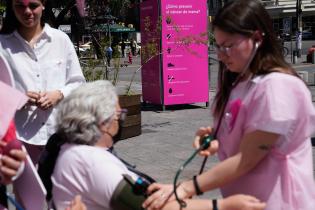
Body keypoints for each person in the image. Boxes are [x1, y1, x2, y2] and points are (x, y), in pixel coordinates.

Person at [143, 0, 315, 210]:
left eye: (229, 46)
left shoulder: (277, 87)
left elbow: (247, 158)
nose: (222, 55)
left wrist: (186, 188)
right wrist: (215, 139)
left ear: (257, 38)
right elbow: (240, 134)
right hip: (246, 200)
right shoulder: (240, 81)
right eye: (218, 45)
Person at [38, 81, 265, 210]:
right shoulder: (89, 160)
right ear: (104, 122)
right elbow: (151, 206)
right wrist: (223, 206)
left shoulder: (72, 150)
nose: (122, 119)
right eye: (120, 114)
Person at [0, 0, 85, 164]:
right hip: (20, 137)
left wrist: (58, 94)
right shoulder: (3, 45)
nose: (27, 11)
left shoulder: (61, 40)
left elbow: (78, 82)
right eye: (20, 6)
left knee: (61, 188)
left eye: (33, 5)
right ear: (12, 7)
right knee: (28, 190)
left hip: (60, 134)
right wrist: (18, 99)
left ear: (43, 4)